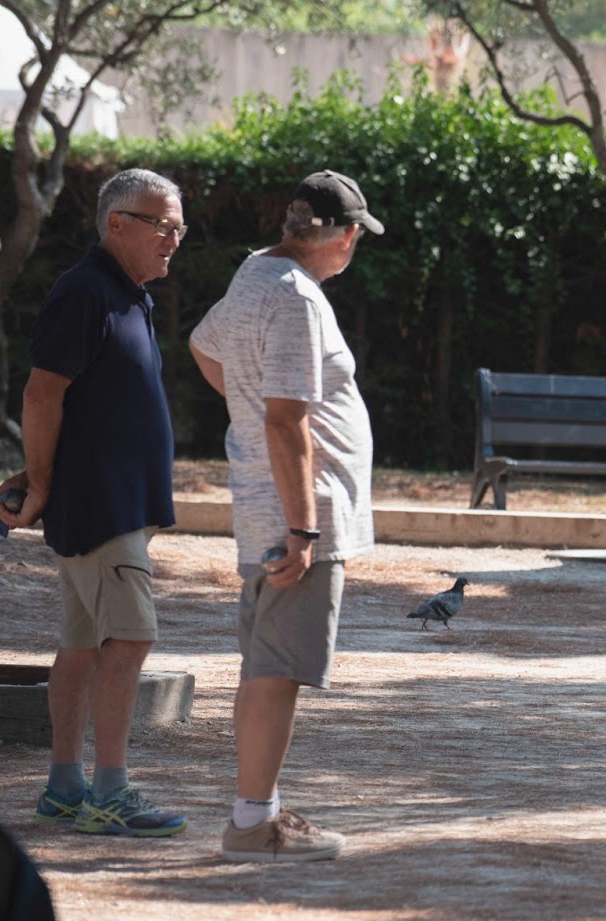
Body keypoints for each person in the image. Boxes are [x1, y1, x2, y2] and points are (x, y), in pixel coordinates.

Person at [188, 170, 382, 863]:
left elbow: (203, 344)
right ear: (345, 236)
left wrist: (245, 403)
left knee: (264, 665)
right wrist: (304, 530)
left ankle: (258, 811)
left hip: (264, 502)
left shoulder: (254, 273)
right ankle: (251, 825)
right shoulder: (297, 298)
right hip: (296, 512)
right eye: (357, 235)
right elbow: (286, 419)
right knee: (276, 672)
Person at [0, 168, 188, 837]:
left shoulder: (129, 295)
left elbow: (86, 404)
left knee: (81, 648)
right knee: (129, 640)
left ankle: (65, 786)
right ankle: (110, 792)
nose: (174, 239)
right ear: (117, 223)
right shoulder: (85, 290)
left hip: (113, 505)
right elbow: (42, 394)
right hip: (103, 510)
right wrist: (41, 483)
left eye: (180, 227)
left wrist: (35, 472)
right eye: (162, 225)